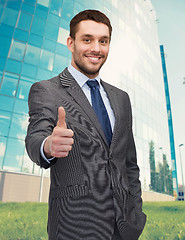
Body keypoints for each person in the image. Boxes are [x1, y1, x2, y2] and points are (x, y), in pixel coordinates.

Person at [25, 9, 146, 240]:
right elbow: (35, 138)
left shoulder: (122, 98)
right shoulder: (46, 90)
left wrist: (136, 212)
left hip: (124, 227)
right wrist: (48, 146)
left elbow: (129, 162)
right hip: (75, 224)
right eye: (87, 39)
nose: (96, 49)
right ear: (71, 43)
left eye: (104, 41)